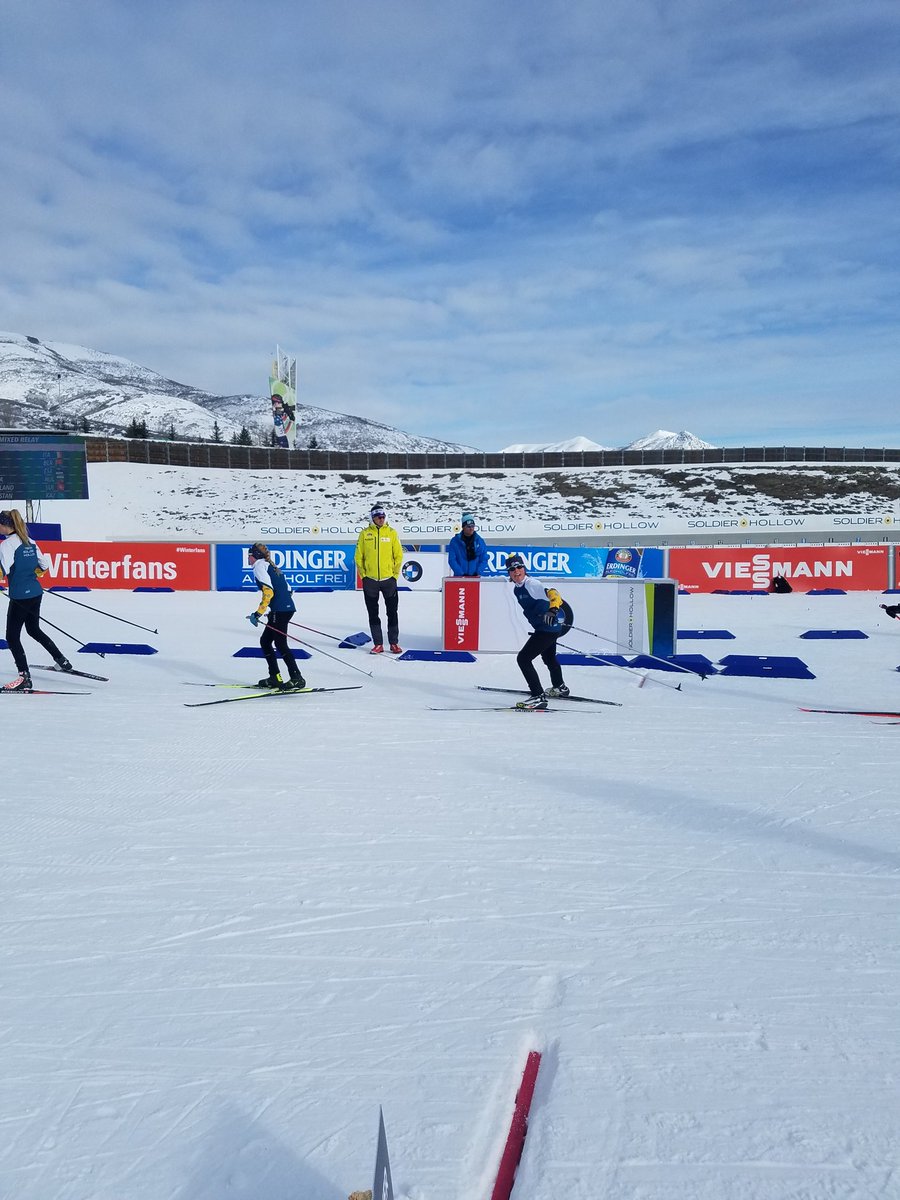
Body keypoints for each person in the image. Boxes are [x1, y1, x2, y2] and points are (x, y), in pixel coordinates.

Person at [0, 508, 71, 692]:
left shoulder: (8, 544)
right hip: (36, 593)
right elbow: (44, 566)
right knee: (33, 629)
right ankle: (61, 660)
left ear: (4, 526)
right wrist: (30, 577)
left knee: (12, 637)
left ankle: (24, 677)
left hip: (20, 596)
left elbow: (2, 570)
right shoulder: (29, 541)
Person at [505, 552, 571, 709]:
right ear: (509, 572)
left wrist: (553, 610)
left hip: (547, 629)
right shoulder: (517, 589)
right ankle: (560, 687)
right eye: (512, 569)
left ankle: (537, 696)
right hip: (546, 628)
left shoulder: (531, 584)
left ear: (524, 568)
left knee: (523, 659)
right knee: (549, 659)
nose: (516, 571)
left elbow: (553, 593)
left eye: (519, 567)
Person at [246, 542, 305, 688]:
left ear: (255, 556)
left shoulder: (259, 566)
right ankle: (275, 677)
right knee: (265, 641)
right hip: (285, 609)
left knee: (280, 644)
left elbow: (269, 591)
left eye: (249, 556)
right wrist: (274, 610)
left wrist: (259, 613)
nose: (248, 558)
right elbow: (289, 590)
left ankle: (297, 677)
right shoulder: (271, 565)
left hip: (280, 610)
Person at [354, 504, 403, 654]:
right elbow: (358, 556)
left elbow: (398, 555)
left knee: (392, 612)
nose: (381, 519)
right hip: (371, 581)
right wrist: (364, 576)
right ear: (372, 518)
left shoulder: (392, 533)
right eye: (378, 517)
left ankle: (393, 643)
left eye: (383, 517)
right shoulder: (364, 534)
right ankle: (378, 644)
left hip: (389, 580)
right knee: (373, 613)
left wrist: (394, 575)